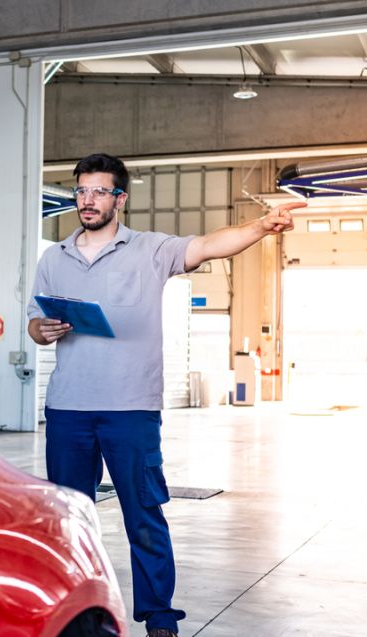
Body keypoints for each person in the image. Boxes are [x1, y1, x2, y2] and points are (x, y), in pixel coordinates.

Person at [26, 153, 302, 637]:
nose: (87, 201)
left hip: (130, 409)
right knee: (70, 520)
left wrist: (260, 227)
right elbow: (33, 322)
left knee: (144, 515)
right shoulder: (54, 258)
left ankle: (159, 616)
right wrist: (41, 330)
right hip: (68, 409)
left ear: (120, 198)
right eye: (81, 191)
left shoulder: (150, 250)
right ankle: (76, 612)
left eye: (98, 192)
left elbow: (211, 245)